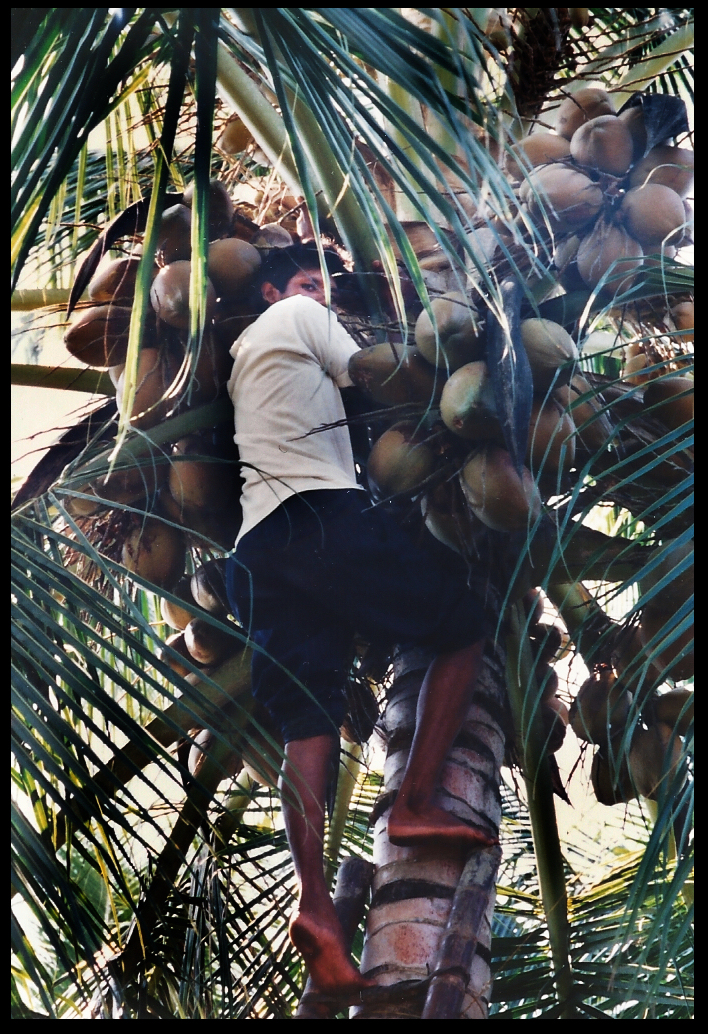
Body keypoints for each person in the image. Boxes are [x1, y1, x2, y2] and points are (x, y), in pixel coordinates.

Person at [225, 243, 496, 1003]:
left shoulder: (246, 356)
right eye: (311, 280)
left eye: (325, 284)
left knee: (307, 726)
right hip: (318, 518)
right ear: (278, 289)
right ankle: (412, 804)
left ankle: (314, 903)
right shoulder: (299, 312)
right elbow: (375, 375)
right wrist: (472, 361)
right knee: (461, 624)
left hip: (256, 551)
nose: (323, 292)